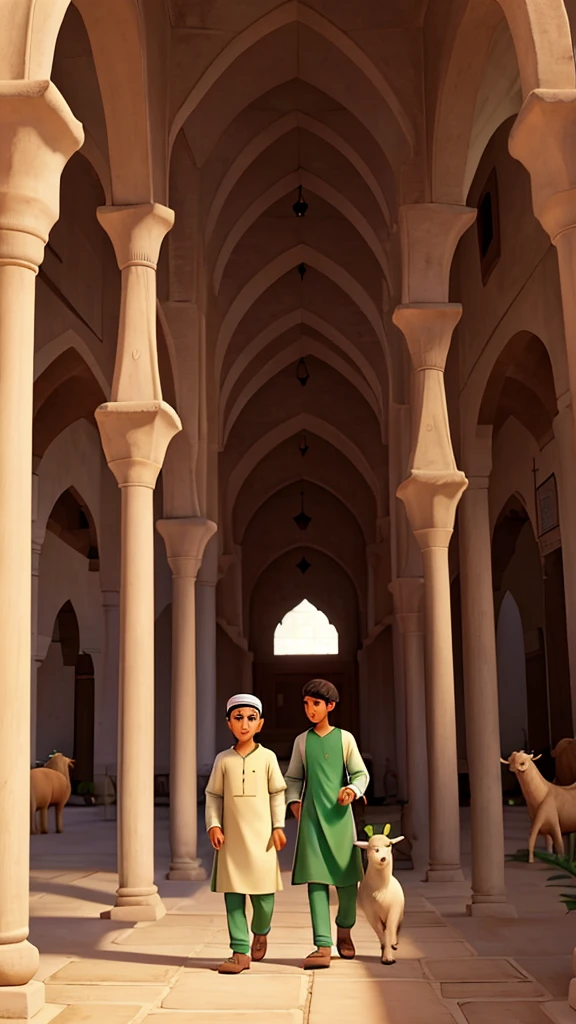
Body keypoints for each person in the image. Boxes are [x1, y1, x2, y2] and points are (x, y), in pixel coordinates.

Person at [285, 678, 369, 970]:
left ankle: (344, 930)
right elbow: (293, 777)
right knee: (316, 882)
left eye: (316, 704)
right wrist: (294, 801)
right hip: (311, 820)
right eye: (306, 704)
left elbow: (360, 774)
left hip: (340, 819)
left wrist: (352, 790)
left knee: (348, 882)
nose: (310, 709)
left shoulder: (345, 738)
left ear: (330, 706)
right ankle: (322, 944)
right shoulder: (301, 741)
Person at [205, 693, 287, 974]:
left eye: (251, 718)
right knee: (233, 896)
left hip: (262, 839)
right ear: (228, 723)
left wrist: (278, 826)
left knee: (264, 897)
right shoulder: (223, 760)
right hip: (231, 840)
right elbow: (213, 795)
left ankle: (261, 930)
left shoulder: (268, 758)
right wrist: (214, 824)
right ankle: (239, 951)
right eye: (238, 718)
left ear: (260, 724)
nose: (244, 724)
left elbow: (277, 793)